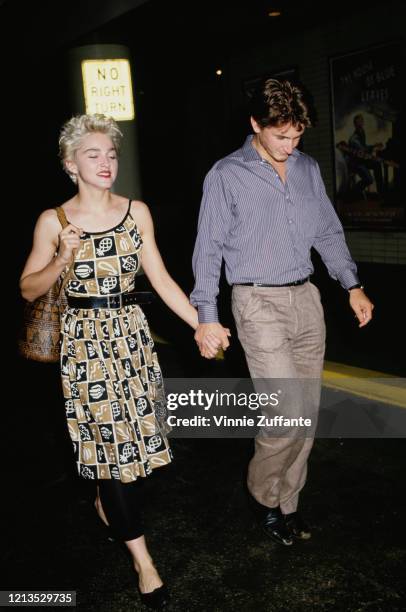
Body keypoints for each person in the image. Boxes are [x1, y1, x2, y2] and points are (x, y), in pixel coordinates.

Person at [19, 113, 221, 609]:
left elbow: (162, 278)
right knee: (113, 458)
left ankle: (105, 496)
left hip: (132, 341)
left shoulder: (137, 212)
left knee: (135, 453)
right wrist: (62, 258)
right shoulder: (54, 220)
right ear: (70, 163)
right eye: (93, 154)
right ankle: (144, 563)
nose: (105, 162)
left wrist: (201, 322)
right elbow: (27, 288)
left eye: (110, 154)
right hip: (83, 346)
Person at [191, 79, 374, 547]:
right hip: (256, 302)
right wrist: (207, 315)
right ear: (256, 124)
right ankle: (262, 495)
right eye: (280, 137)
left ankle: (288, 503)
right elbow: (208, 249)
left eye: (296, 138)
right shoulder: (227, 174)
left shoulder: (308, 168)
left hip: (306, 299)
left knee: (307, 416)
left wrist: (351, 284)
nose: (290, 147)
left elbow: (328, 232)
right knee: (286, 414)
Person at [347, 113, 384, 196]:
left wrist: (374, 146)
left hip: (362, 160)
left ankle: (381, 192)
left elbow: (364, 148)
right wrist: (374, 146)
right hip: (356, 163)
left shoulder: (362, 133)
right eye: (358, 122)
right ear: (355, 124)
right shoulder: (354, 138)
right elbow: (362, 150)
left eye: (361, 121)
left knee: (377, 164)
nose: (360, 123)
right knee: (369, 179)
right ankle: (353, 192)